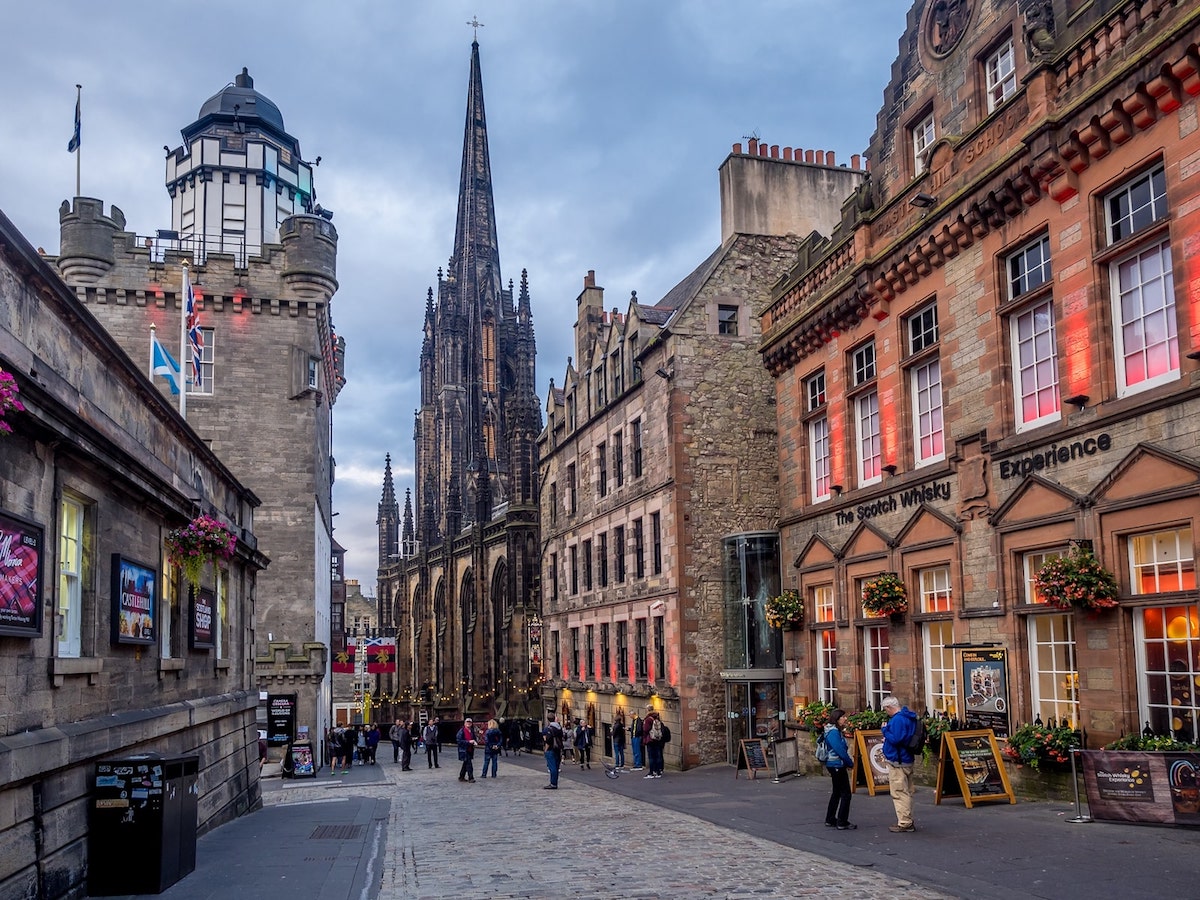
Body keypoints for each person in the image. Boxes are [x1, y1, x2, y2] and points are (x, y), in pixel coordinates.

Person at [881, 695, 919, 832]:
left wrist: (885, 730)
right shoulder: (909, 717)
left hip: (898, 760)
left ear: (889, 707)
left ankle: (904, 822)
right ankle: (908, 819)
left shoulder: (898, 720)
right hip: (907, 758)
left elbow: (896, 739)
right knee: (907, 791)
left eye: (886, 710)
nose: (886, 712)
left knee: (899, 792)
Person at [822, 709, 856, 830]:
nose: (845, 719)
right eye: (843, 717)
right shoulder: (833, 732)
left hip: (834, 764)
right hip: (836, 764)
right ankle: (842, 821)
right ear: (837, 719)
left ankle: (830, 819)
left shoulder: (833, 731)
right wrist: (850, 763)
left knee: (836, 792)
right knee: (846, 793)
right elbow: (840, 751)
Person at [542, 711, 565, 789]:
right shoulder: (559, 728)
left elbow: (548, 741)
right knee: (556, 766)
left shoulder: (549, 729)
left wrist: (546, 750)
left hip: (551, 749)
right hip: (558, 748)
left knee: (552, 767)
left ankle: (553, 783)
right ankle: (555, 782)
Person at [642, 708, 665, 778]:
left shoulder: (648, 719)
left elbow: (646, 729)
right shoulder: (657, 718)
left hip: (650, 739)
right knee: (657, 756)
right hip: (657, 739)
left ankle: (651, 772)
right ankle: (658, 772)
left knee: (651, 757)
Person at [456, 718, 478, 782]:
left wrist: (474, 742)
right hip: (464, 750)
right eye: (467, 722)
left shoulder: (471, 731)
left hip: (470, 749)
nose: (468, 723)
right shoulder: (461, 731)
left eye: (470, 722)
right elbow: (459, 741)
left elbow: (474, 738)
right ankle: (471, 778)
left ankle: (461, 776)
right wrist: (468, 742)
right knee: (469, 764)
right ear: (464, 723)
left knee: (465, 763)